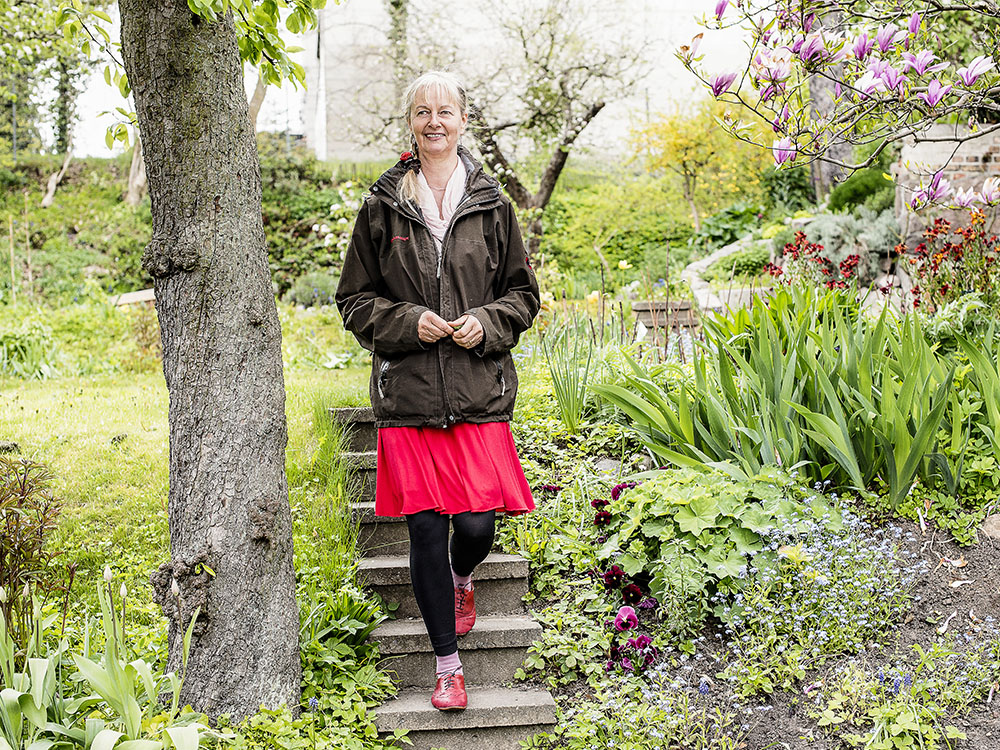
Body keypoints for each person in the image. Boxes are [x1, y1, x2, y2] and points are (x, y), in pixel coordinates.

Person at [336, 71, 540, 712]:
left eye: (445, 111)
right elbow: (354, 300)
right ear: (411, 124)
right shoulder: (383, 205)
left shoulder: (492, 202)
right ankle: (447, 667)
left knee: (476, 524)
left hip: (478, 389)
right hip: (413, 398)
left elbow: (523, 296)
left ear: (463, 120)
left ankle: (461, 577)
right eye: (422, 111)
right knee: (425, 530)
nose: (434, 122)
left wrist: (486, 323)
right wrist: (405, 322)